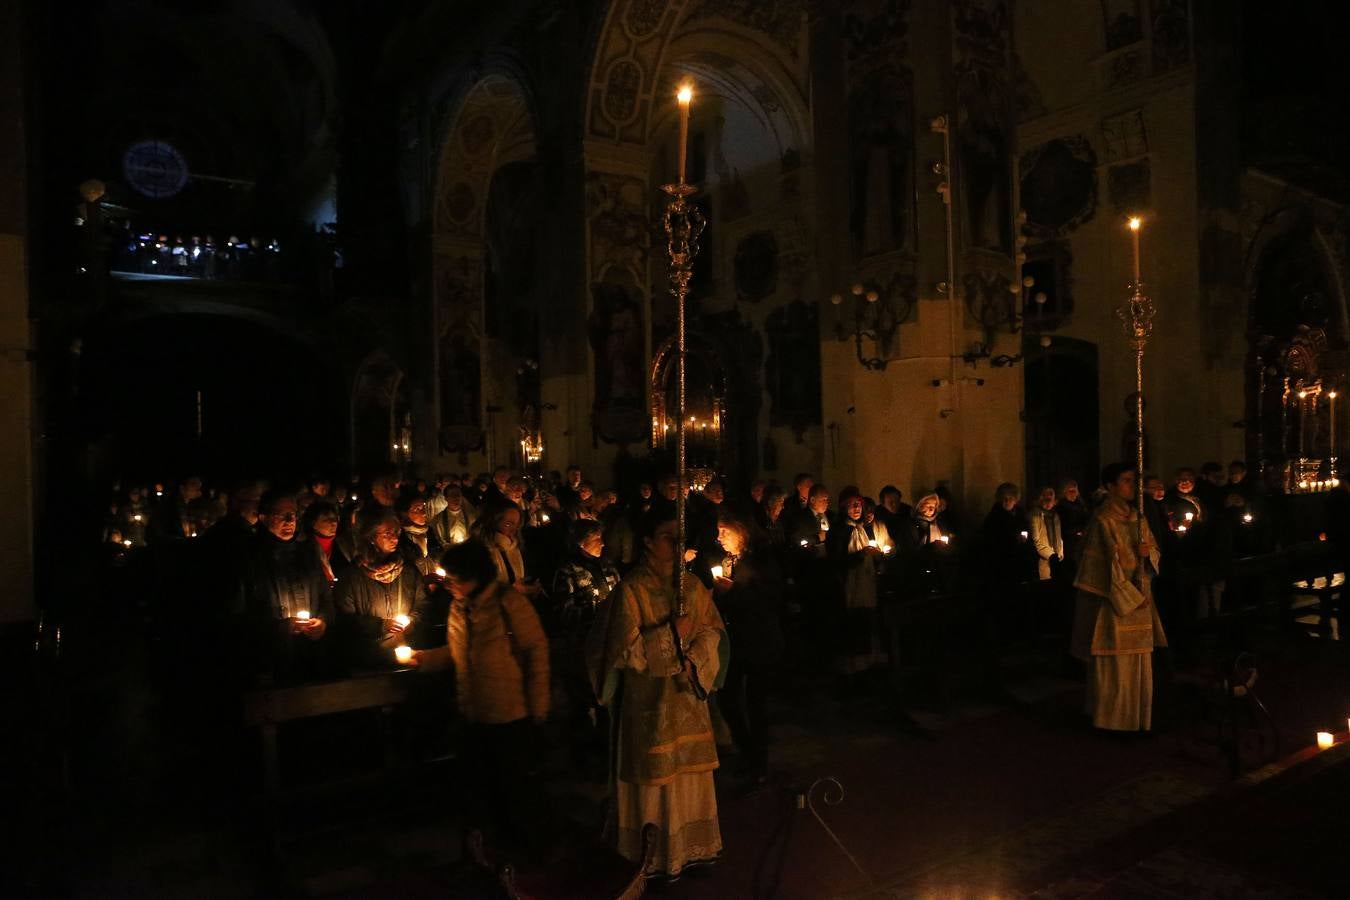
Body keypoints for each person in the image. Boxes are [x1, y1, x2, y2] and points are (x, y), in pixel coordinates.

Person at [588, 509, 728, 879]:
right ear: (648, 542)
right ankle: (651, 855)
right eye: (669, 537)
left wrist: (694, 658)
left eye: (681, 537)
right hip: (649, 702)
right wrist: (672, 636)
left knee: (688, 776)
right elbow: (624, 652)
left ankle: (690, 849)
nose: (678, 544)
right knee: (656, 779)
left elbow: (714, 632)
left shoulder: (693, 587)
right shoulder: (631, 590)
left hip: (686, 696)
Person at [406, 540, 550, 854]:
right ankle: (491, 854)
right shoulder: (459, 607)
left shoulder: (508, 604)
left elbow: (536, 652)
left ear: (475, 575)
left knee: (513, 791)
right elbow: (459, 653)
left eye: (455, 579)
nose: (450, 586)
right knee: (479, 791)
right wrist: (424, 660)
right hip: (472, 715)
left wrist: (538, 708)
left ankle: (528, 856)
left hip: (509, 715)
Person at [1071, 464, 1167, 732]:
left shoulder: (1139, 518)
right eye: (1125, 481)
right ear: (1111, 486)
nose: (1131, 486)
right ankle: (1111, 720)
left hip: (1142, 599)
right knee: (1115, 663)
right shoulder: (1103, 521)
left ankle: (1137, 719)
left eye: (1133, 480)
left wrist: (1148, 555)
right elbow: (1103, 570)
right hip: (1116, 604)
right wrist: (1131, 597)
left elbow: (1155, 555)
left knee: (1138, 662)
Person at [709, 512, 783, 785]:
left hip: (760, 640)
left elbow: (768, 598)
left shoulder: (762, 560)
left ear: (741, 530)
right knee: (728, 698)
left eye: (724, 531)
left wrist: (734, 593)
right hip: (736, 640)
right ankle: (748, 751)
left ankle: (758, 764)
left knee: (756, 703)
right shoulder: (730, 560)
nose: (719, 538)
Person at [238, 491, 331, 683]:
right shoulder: (249, 557)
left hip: (310, 656)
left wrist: (323, 621)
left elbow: (326, 597)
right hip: (269, 660)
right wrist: (280, 627)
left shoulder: (307, 553)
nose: (289, 521)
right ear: (263, 518)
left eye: (293, 514)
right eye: (281, 515)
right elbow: (240, 614)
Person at [552, 520, 622, 767]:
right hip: (582, 645)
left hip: (609, 643)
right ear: (582, 542)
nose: (602, 543)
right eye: (596, 538)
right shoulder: (568, 571)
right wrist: (596, 613)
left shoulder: (608, 567)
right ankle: (582, 757)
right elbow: (563, 610)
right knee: (582, 701)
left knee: (606, 697)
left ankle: (607, 751)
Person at [335, 510, 424, 668]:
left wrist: (413, 621)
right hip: (369, 657)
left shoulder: (409, 570)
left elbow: (423, 603)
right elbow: (345, 618)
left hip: (407, 650)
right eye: (387, 533)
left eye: (396, 532)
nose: (395, 538)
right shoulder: (351, 576)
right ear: (371, 537)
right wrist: (379, 626)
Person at [474, 503, 543, 602]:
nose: (514, 530)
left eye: (517, 524)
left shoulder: (516, 546)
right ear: (493, 523)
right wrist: (515, 590)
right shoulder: (482, 552)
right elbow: (481, 594)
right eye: (508, 524)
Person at [397, 493, 444, 577]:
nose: (424, 513)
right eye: (417, 509)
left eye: (423, 508)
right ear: (405, 514)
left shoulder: (429, 532)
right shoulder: (400, 537)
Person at [1028, 486, 1063, 582]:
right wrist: (1051, 556)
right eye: (1045, 498)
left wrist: (1060, 554)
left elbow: (1059, 537)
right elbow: (1037, 541)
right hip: (1044, 560)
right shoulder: (1035, 515)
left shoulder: (1055, 515)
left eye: (1050, 499)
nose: (1048, 502)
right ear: (1040, 498)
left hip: (1057, 558)